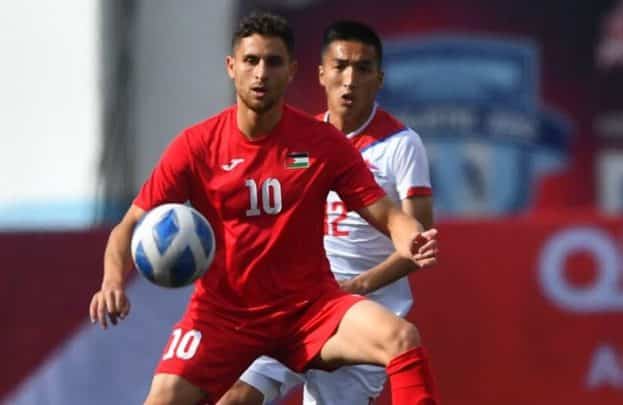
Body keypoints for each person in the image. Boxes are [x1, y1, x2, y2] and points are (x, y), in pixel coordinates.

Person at [88, 12, 438, 405]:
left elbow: (388, 214)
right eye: (251, 61)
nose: (260, 74)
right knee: (170, 399)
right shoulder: (196, 146)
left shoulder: (322, 144)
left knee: (401, 338)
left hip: (310, 310)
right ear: (231, 66)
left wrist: (410, 238)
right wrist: (112, 281)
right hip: (224, 316)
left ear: (291, 71)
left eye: (273, 62)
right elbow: (129, 225)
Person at [219, 20, 435, 405]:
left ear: (379, 79)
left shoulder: (401, 144)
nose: (350, 80)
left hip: (364, 314)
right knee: (234, 396)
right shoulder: (302, 139)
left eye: (363, 69)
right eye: (340, 67)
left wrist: (359, 285)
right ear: (321, 74)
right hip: (297, 305)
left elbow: (419, 243)